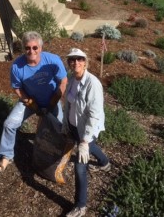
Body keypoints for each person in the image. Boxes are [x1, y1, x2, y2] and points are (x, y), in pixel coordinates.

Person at [0, 31, 67, 173]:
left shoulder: (53, 60)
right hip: (30, 100)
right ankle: (6, 156)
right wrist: (33, 104)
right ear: (23, 48)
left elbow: (63, 81)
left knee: (59, 129)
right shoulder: (17, 66)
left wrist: (52, 103)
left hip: (52, 99)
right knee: (9, 124)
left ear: (40, 48)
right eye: (27, 48)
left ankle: (57, 158)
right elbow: (17, 89)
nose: (31, 51)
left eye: (34, 47)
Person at [62, 48, 111, 217]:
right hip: (74, 126)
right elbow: (68, 104)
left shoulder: (92, 83)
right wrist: (65, 124)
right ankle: (105, 163)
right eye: (72, 60)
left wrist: (84, 141)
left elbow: (94, 115)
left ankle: (80, 205)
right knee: (92, 147)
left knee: (79, 165)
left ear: (85, 62)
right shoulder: (71, 79)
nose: (76, 62)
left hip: (87, 129)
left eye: (79, 59)